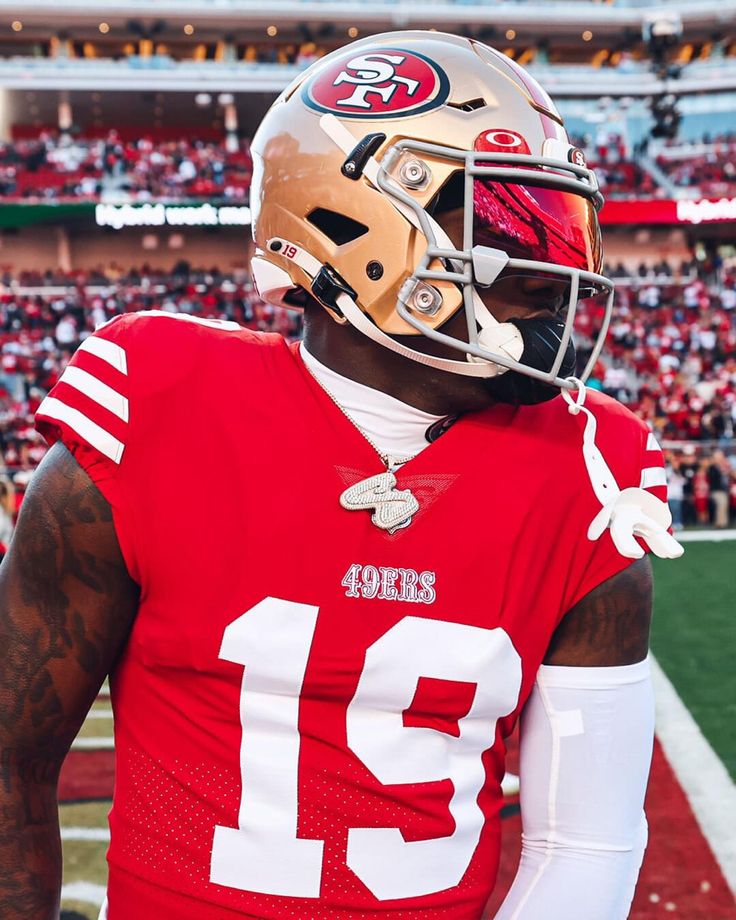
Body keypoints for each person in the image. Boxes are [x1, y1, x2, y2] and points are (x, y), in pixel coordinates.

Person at [0, 31, 682, 920]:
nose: (559, 271)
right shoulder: (157, 404)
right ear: (352, 220)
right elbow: (10, 765)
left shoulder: (591, 470)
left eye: (560, 225)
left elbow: (585, 847)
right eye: (513, 224)